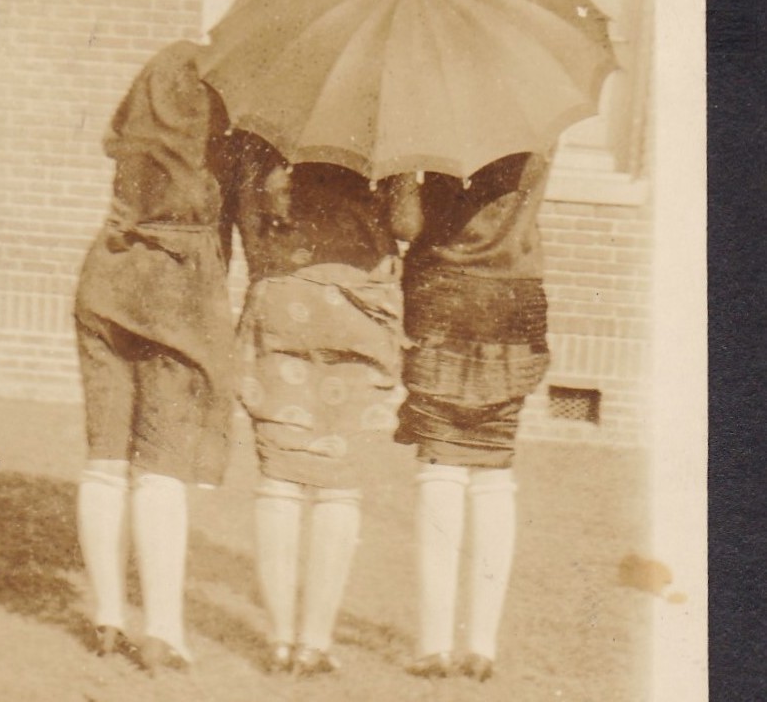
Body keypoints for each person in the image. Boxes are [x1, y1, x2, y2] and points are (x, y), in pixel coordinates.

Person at [73, 40, 235, 675]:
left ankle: (108, 617)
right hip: (178, 292)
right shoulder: (226, 139)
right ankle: (163, 629)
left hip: (109, 274)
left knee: (106, 460)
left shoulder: (134, 134)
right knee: (161, 467)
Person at [226, 131, 406, 676]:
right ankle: (314, 643)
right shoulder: (390, 118)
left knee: (279, 478)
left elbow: (250, 213)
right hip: (360, 309)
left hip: (285, 297)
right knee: (338, 485)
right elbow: (407, 225)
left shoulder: (271, 123)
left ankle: (280, 640)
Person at [391, 151, 554, 682]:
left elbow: (404, 224)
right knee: (493, 469)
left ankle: (435, 644)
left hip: (443, 296)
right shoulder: (535, 122)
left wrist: (400, 177)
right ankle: (481, 647)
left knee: (439, 465)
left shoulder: (434, 123)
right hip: (512, 300)